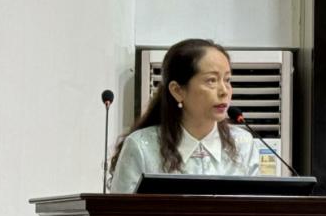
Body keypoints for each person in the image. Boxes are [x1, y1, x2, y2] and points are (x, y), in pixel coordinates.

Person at [108, 38, 260, 193]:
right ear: (177, 91)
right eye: (211, 80)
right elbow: (120, 208)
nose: (224, 91)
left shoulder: (243, 144)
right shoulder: (141, 146)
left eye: (227, 80)